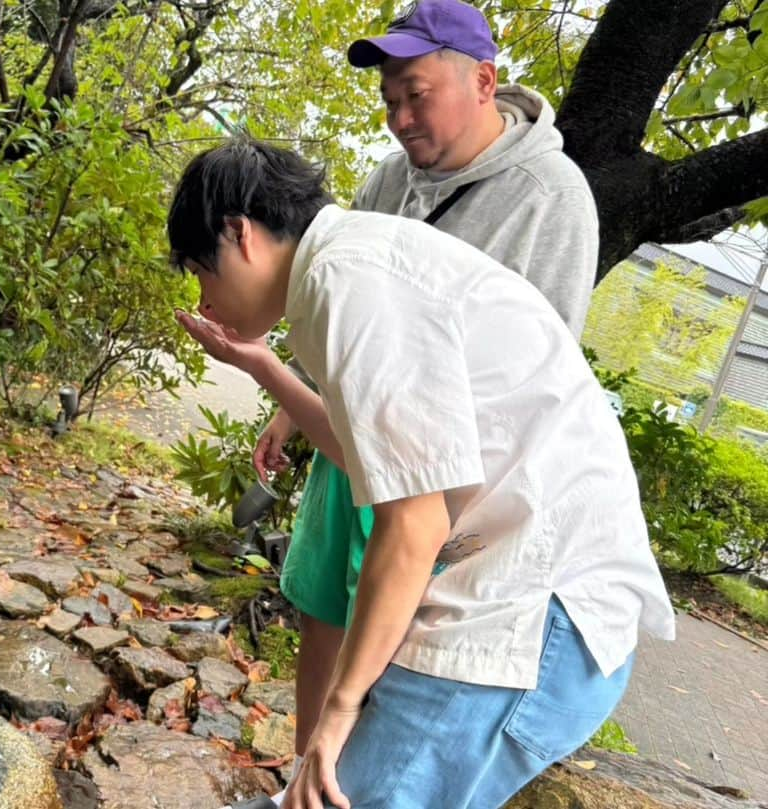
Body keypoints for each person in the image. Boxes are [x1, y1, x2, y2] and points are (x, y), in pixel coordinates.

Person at [168, 137, 674, 809]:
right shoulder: (351, 264)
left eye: (203, 272)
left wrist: (340, 708)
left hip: (536, 614)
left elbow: (413, 523)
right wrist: (262, 366)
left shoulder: (344, 280)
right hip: (523, 599)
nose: (204, 299)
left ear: (242, 233)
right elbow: (368, 459)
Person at [252, 0, 601, 787]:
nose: (400, 118)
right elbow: (337, 301)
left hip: (444, 468)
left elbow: (541, 362)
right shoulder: (390, 177)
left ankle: (350, 764)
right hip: (355, 434)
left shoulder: (551, 195)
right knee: (322, 603)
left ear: (483, 81)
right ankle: (307, 771)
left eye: (415, 93)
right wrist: (290, 398)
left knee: (402, 631)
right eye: (388, 102)